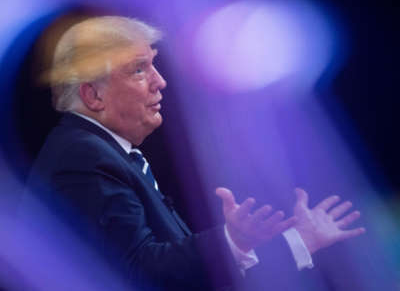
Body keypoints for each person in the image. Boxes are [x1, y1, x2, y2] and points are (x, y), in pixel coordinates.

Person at [21, 16, 365, 290]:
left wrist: (299, 240)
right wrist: (231, 238)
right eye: (139, 69)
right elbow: (143, 270)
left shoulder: (108, 153)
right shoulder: (84, 156)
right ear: (93, 95)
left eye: (154, 65)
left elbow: (191, 272)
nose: (161, 81)